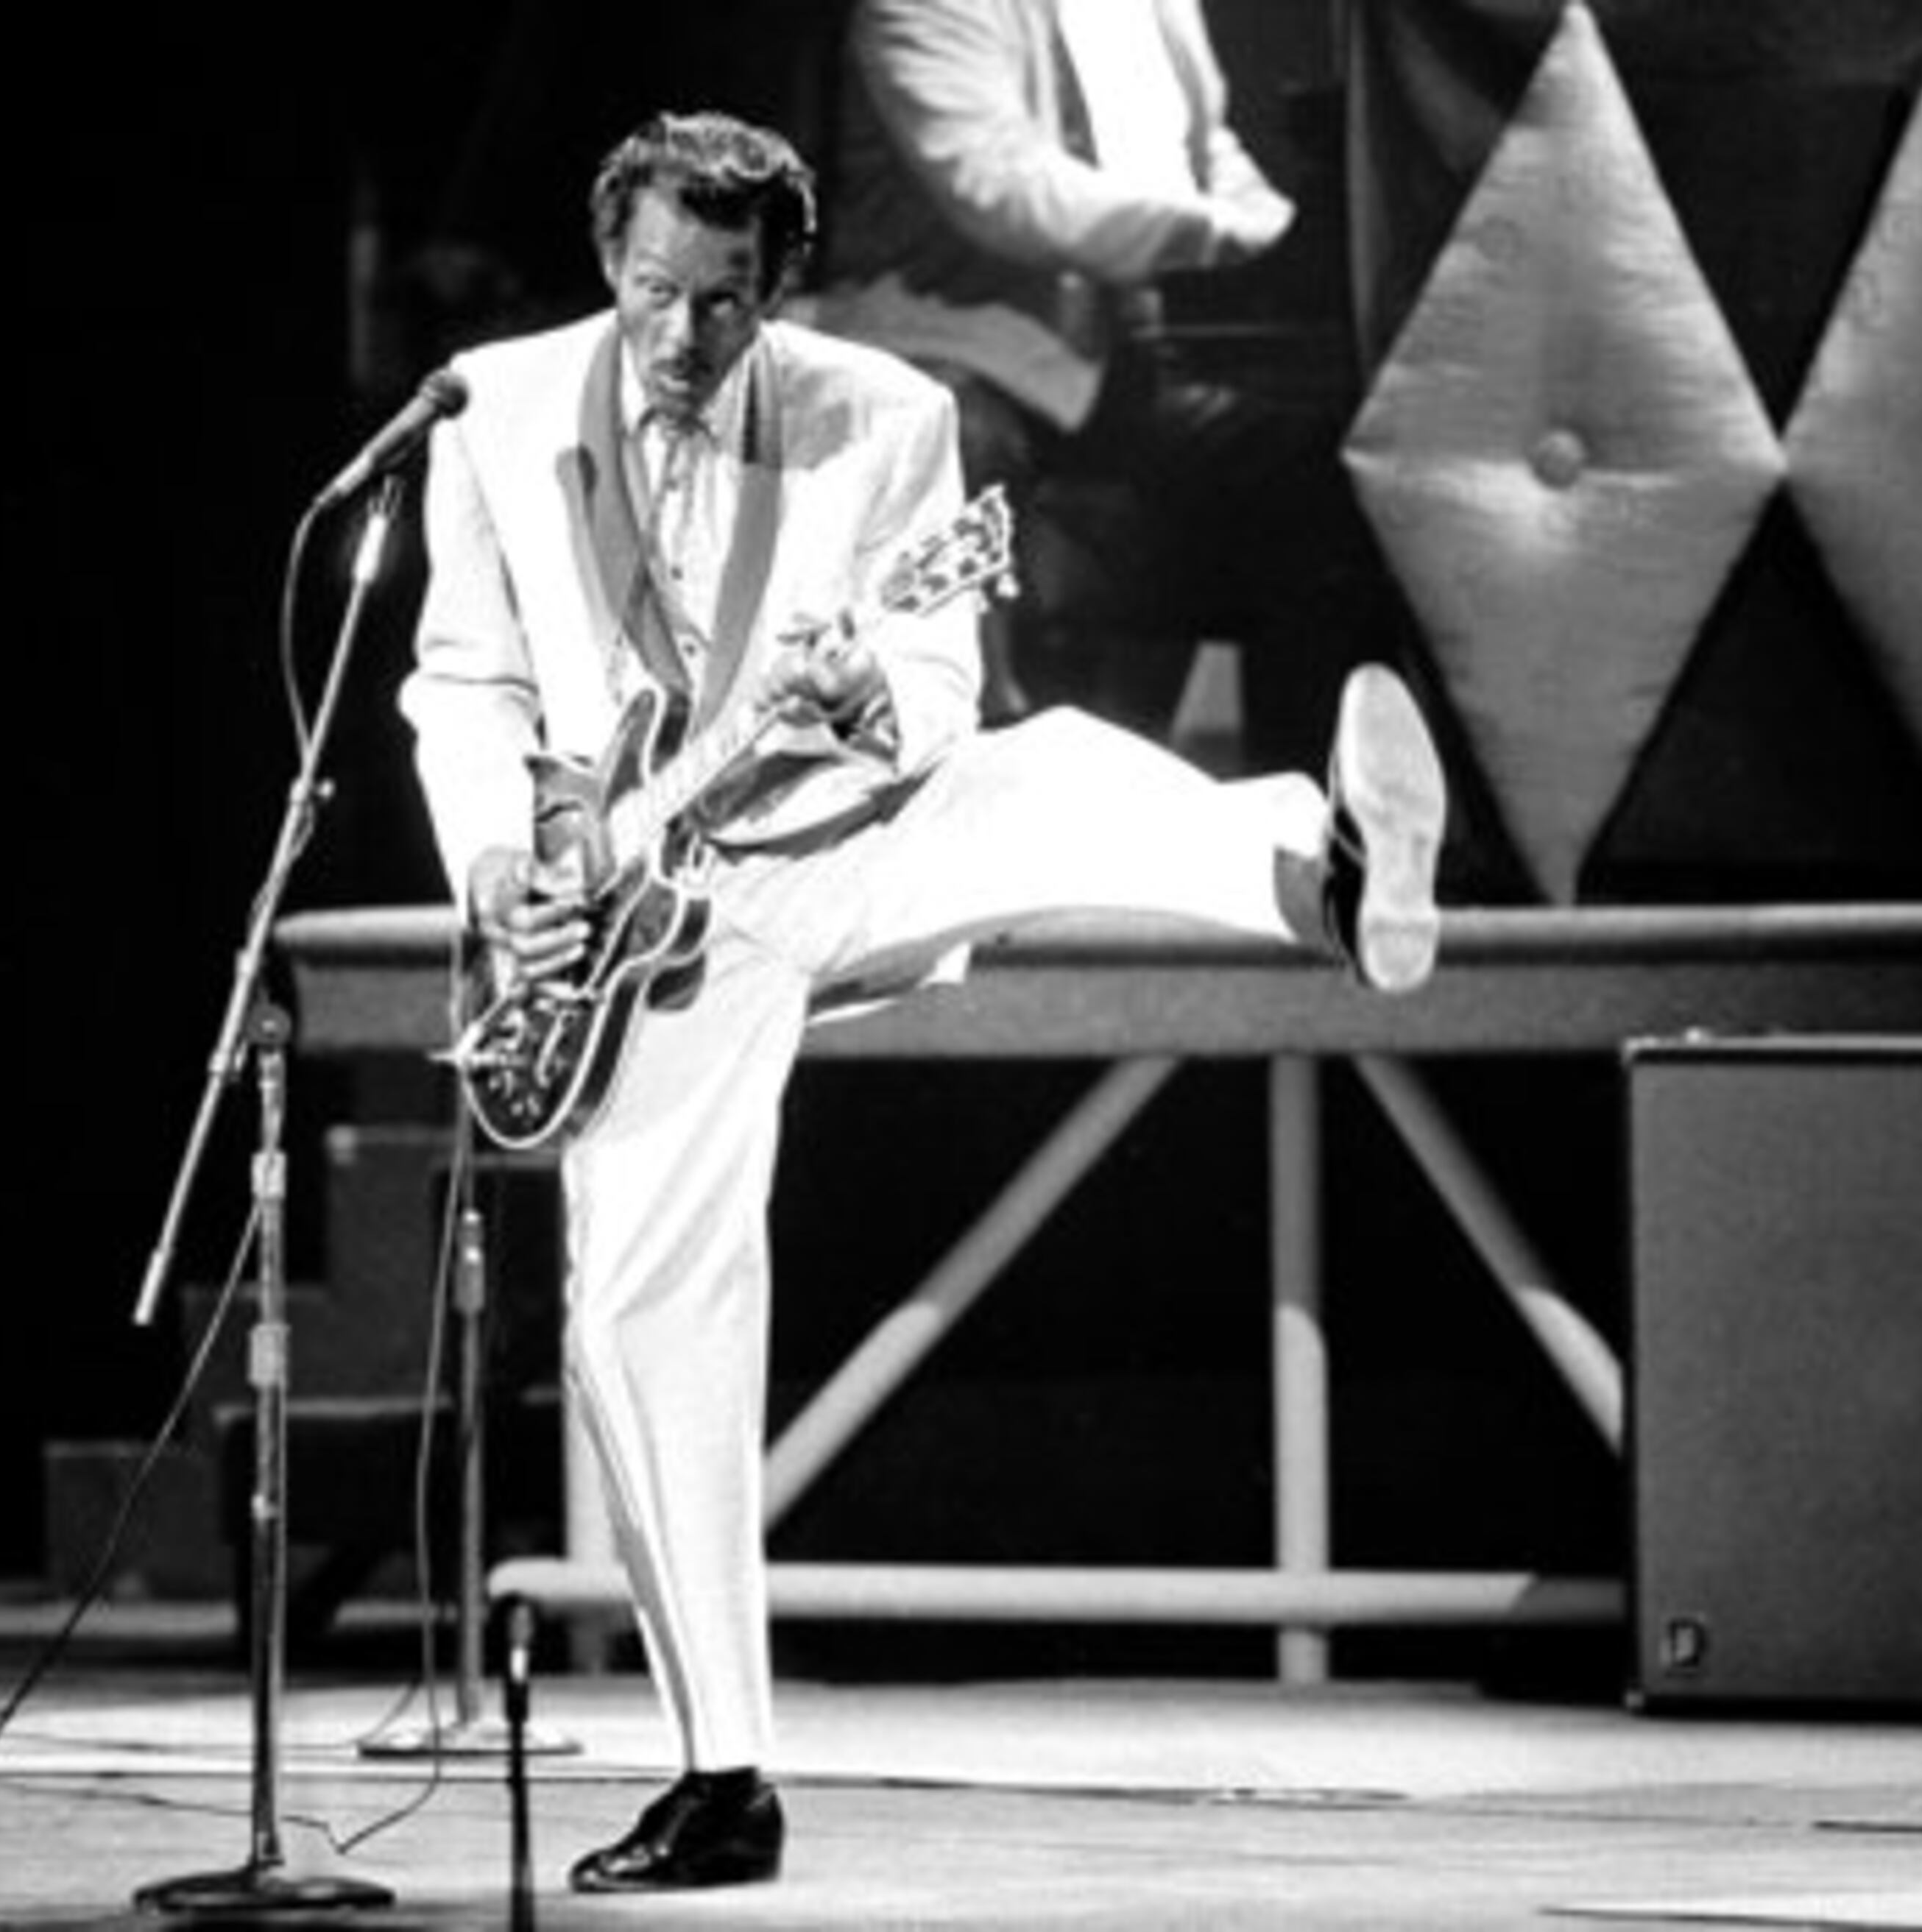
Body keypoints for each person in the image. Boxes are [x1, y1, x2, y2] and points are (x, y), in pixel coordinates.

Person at [399, 108, 1446, 1895]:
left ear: (778, 289)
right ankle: (722, 1775)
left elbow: (941, 685)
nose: (682, 335)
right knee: (643, 1322)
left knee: (1044, 772)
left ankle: (1316, 870)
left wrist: (861, 692)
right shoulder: (486, 412)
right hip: (626, 919)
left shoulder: (883, 417)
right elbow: (463, 682)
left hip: (825, 837)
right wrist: (501, 866)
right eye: (654, 290)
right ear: (609, 262)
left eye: (723, 302)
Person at [808, 0, 1382, 766]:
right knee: (952, 440)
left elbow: (1207, 154)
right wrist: (1222, 233)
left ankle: (1304, 809)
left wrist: (1283, 230)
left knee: (1319, 474)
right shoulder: (925, 8)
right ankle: (964, 778)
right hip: (957, 359)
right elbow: (1003, 186)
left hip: (1115, 374)